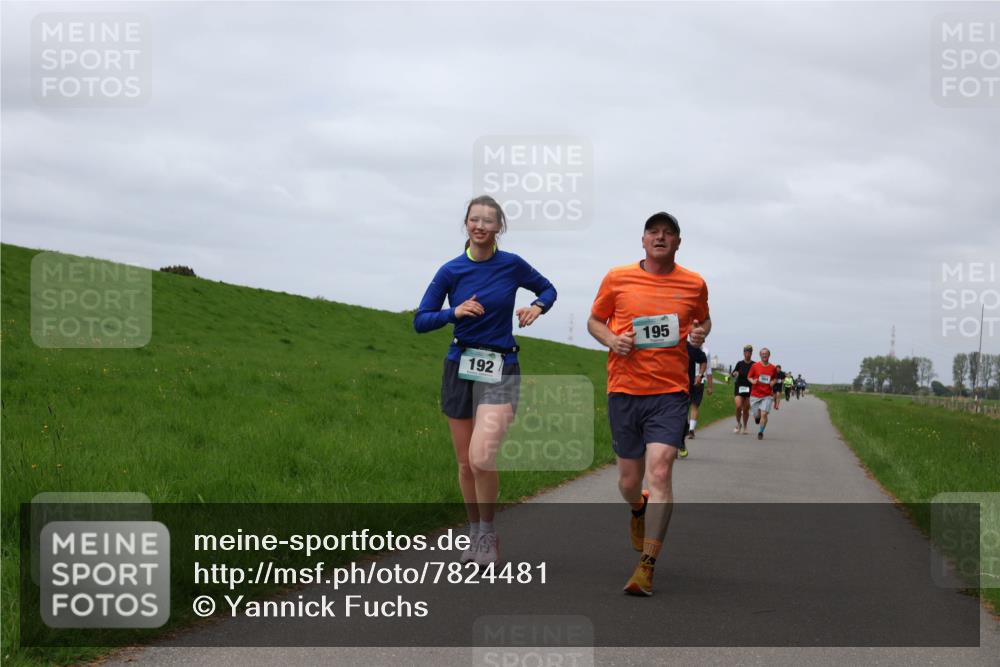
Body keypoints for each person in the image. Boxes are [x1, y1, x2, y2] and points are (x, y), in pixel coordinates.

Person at [414, 195, 556, 567]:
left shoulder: (511, 265)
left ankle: (490, 534)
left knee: (482, 456)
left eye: (488, 221)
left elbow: (548, 289)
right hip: (459, 364)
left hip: (502, 365)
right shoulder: (451, 271)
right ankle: (474, 532)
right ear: (466, 224)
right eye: (474, 219)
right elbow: (421, 319)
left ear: (499, 228)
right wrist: (453, 312)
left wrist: (536, 307)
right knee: (464, 463)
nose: (480, 226)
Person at [588, 211, 711, 596]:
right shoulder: (617, 278)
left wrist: (699, 335)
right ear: (642, 240)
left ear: (678, 242)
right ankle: (637, 508)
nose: (660, 238)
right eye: (653, 232)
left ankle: (647, 566)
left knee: (659, 473)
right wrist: (611, 339)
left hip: (669, 393)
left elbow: (704, 323)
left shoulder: (694, 284)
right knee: (629, 482)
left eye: (668, 233)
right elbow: (595, 321)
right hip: (624, 391)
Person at [683, 341, 712, 450]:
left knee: (695, 405)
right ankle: (683, 429)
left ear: (703, 340)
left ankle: (691, 430)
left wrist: (710, 386)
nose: (696, 339)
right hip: (685, 381)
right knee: (684, 407)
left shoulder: (706, 351)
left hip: (699, 381)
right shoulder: (685, 346)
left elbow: (708, 369)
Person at [747, 347, 778, 440]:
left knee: (764, 414)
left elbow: (775, 378)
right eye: (762, 354)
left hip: (767, 395)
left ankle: (761, 431)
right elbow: (749, 377)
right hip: (755, 394)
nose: (764, 355)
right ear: (760, 355)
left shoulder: (773, 368)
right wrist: (752, 381)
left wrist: (773, 382)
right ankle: (757, 417)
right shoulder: (755, 366)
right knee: (757, 415)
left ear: (769, 355)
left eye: (766, 354)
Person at [731, 345, 754, 434]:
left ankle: (745, 426)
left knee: (746, 408)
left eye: (749, 352)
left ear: (751, 353)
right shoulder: (739, 363)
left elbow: (757, 375)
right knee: (738, 406)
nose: (747, 354)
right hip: (739, 387)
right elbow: (733, 373)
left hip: (749, 388)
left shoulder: (754, 364)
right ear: (743, 353)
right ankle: (738, 423)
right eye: (746, 352)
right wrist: (735, 373)